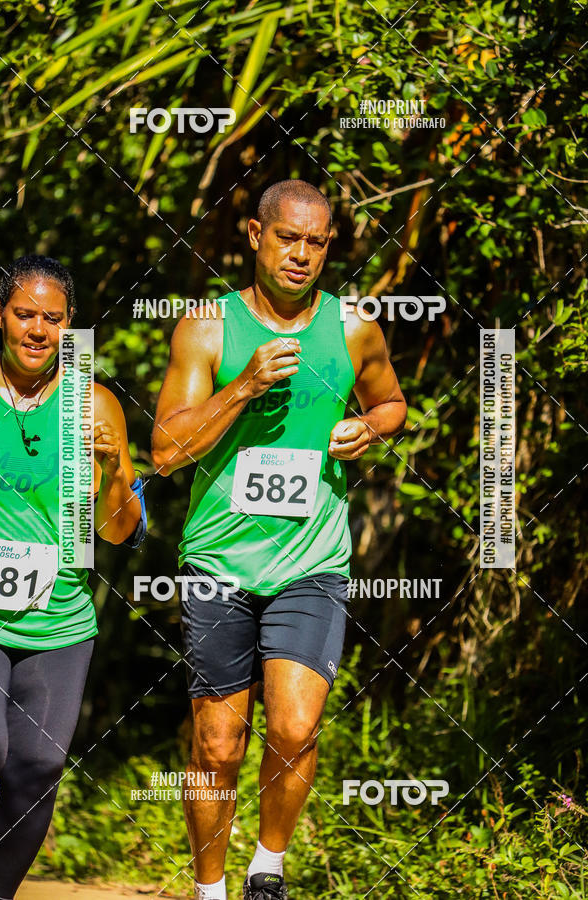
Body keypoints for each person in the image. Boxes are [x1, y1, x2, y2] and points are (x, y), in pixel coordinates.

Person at [152, 179, 407, 900]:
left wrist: (371, 426)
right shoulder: (207, 327)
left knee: (294, 728)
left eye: (317, 242)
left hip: (312, 561)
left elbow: (392, 401)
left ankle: (267, 866)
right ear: (256, 236)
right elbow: (166, 451)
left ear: (330, 248)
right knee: (216, 744)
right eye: (288, 238)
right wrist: (241, 388)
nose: (301, 254)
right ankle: (208, 888)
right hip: (218, 562)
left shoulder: (353, 326)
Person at [0, 255, 146, 899]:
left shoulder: (96, 403)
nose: (37, 329)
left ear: (70, 324)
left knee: (38, 765)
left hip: (61, 620)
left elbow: (116, 532)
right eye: (24, 313)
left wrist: (112, 473)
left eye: (52, 318)